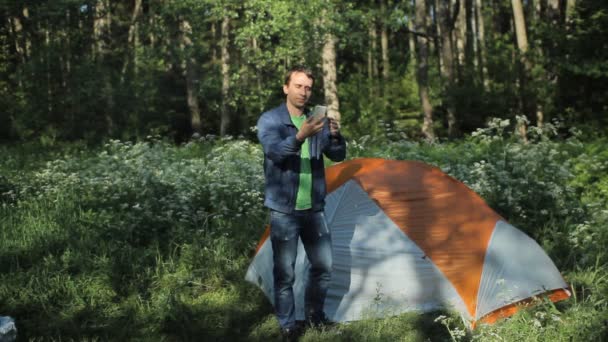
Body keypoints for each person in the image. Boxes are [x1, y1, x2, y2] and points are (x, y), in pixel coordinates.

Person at [256, 66, 346, 339]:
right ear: (286, 87)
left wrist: (334, 135)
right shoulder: (270, 120)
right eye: (298, 86)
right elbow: (275, 153)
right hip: (284, 209)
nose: (304, 92)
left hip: (314, 207)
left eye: (308, 88)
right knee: (285, 274)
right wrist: (300, 135)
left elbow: (339, 156)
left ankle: (314, 317)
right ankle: (287, 325)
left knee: (323, 267)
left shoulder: (315, 120)